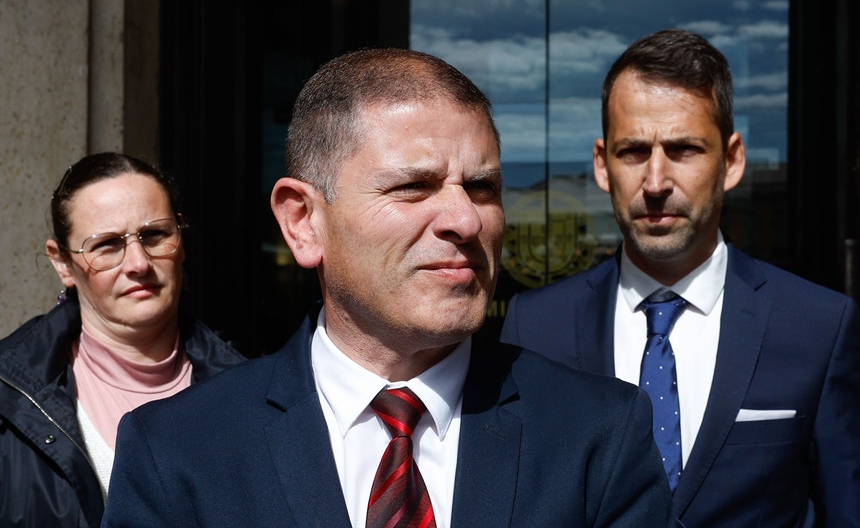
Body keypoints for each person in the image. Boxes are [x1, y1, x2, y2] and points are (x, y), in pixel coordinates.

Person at [102, 48, 674, 527]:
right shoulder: (179, 451)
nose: (466, 220)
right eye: (413, 187)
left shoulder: (597, 435)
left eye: (482, 187)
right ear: (302, 222)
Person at [501, 29, 860, 527]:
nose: (655, 183)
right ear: (602, 165)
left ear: (732, 161)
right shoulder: (537, 327)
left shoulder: (817, 326)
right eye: (633, 151)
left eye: (684, 149)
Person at [0, 153, 246, 528]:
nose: (138, 263)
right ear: (63, 263)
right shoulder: (9, 400)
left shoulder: (247, 392)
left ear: (181, 242)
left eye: (154, 235)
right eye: (108, 244)